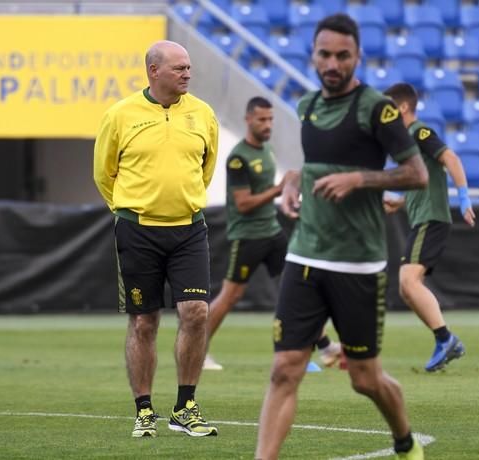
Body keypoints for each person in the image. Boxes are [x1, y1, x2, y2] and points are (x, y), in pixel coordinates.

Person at [255, 14, 428, 460]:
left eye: (342, 55)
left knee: (365, 378)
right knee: (283, 370)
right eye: (324, 54)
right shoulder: (308, 105)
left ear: (358, 58)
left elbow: (416, 173)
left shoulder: (377, 108)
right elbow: (315, 164)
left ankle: (405, 443)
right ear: (313, 55)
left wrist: (359, 179)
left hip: (358, 264)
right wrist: (292, 181)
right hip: (306, 256)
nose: (333, 63)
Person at [93, 40, 219, 438]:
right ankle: (144, 409)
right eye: (179, 68)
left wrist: (182, 201)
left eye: (188, 67)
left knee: (196, 311)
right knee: (144, 321)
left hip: (188, 228)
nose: (187, 73)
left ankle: (186, 406)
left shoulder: (203, 114)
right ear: (154, 71)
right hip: (137, 229)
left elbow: (206, 167)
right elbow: (103, 173)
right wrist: (130, 211)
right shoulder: (120, 115)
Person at [203, 96, 343, 371]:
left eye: (270, 119)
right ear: (248, 120)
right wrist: (279, 190)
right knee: (230, 295)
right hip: (248, 236)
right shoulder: (238, 158)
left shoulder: (266, 151)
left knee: (299, 289)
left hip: (272, 232)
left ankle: (322, 349)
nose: (267, 125)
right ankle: (198, 350)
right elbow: (243, 204)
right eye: (262, 119)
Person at [383, 83, 475, 373]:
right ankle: (444, 340)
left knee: (409, 282)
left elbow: (451, 158)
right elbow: (422, 177)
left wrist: (463, 197)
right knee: (406, 286)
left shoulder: (419, 132)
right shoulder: (407, 143)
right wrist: (400, 202)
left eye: (388, 110)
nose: (384, 117)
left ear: (403, 108)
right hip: (421, 217)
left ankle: (446, 339)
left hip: (432, 218)